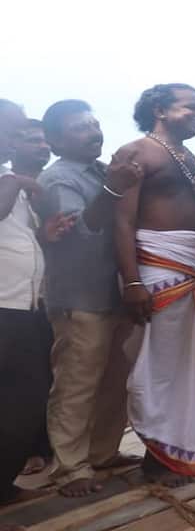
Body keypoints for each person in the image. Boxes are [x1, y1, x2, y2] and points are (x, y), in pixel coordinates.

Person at [113, 83, 195, 486]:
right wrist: (131, 281)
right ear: (161, 110)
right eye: (190, 108)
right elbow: (122, 221)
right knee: (161, 368)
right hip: (159, 270)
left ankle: (178, 454)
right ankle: (157, 455)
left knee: (192, 369)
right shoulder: (136, 152)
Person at [38, 100, 143, 497]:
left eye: (95, 125)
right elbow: (82, 231)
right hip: (79, 298)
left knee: (115, 381)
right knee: (76, 384)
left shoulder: (101, 172)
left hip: (114, 295)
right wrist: (114, 187)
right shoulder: (59, 179)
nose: (94, 132)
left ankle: (102, 453)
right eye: (81, 128)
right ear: (55, 140)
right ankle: (69, 468)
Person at [0, 99, 51, 513]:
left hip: (23, 309)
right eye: (14, 131)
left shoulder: (7, 179)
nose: (19, 139)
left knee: (26, 400)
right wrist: (15, 183)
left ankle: (3, 485)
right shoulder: (9, 182)